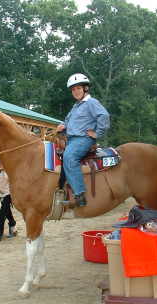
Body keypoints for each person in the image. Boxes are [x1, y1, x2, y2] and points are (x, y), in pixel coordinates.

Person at [56, 73, 110, 207]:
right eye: (73, 89)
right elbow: (69, 123)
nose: (75, 92)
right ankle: (61, 189)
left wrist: (97, 133)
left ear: (85, 88)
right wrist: (62, 128)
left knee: (69, 156)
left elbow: (104, 115)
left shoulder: (91, 102)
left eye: (78, 88)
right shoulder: (76, 106)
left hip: (83, 140)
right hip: (72, 139)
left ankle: (79, 194)